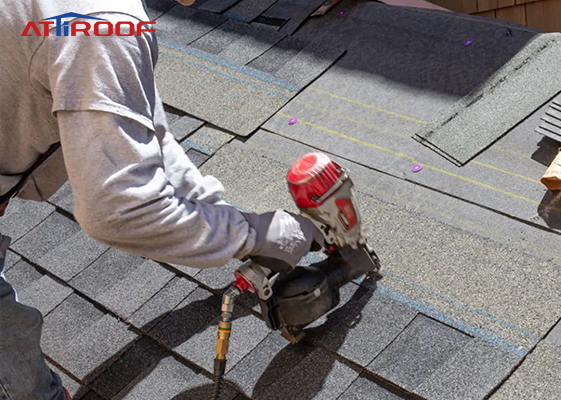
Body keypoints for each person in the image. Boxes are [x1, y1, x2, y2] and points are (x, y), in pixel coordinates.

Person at [0, 0, 323, 398]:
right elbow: (119, 210)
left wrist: (226, 217)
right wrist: (252, 234)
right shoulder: (104, 26)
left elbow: (144, 136)